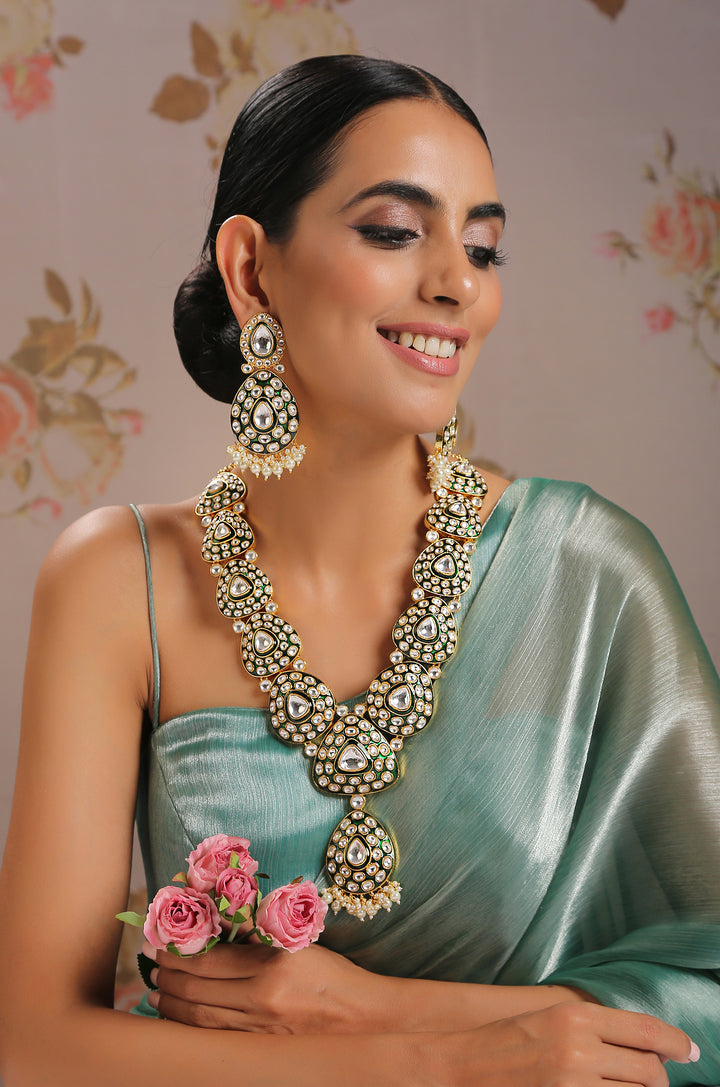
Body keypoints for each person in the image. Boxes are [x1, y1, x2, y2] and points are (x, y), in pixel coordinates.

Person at [0, 54, 718, 1087]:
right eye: (393, 231)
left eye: (483, 245)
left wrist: (357, 1009)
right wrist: (432, 1060)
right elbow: (34, 1044)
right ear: (252, 269)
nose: (458, 283)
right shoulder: (122, 582)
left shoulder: (587, 571)